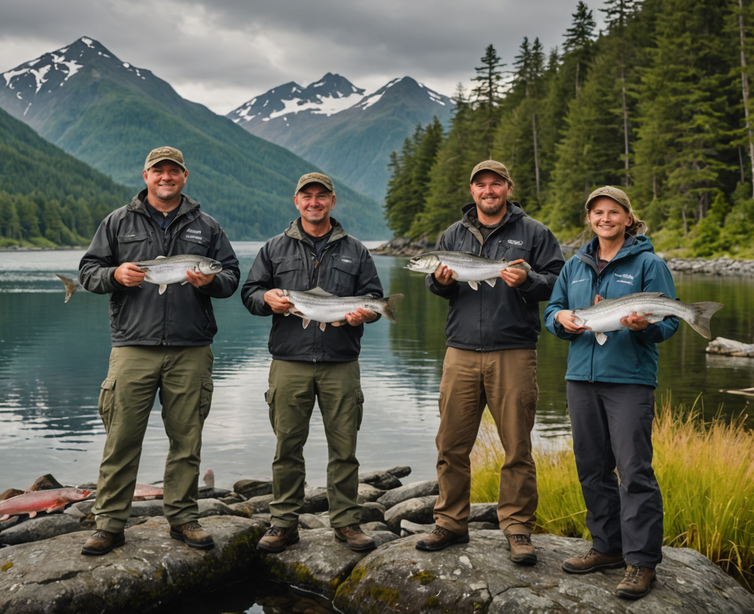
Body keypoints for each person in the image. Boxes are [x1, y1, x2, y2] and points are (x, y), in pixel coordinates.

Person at [77, 146, 240, 556]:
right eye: (158, 171)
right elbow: (88, 273)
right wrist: (114, 273)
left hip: (191, 348)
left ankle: (183, 518)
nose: (166, 177)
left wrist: (210, 283)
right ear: (145, 175)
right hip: (133, 346)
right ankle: (110, 523)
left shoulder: (208, 227)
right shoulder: (117, 221)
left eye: (174, 171)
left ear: (185, 176)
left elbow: (231, 277)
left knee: (187, 440)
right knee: (121, 438)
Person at [417, 160, 564, 564]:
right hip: (460, 351)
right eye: (480, 185)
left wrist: (529, 282)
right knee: (450, 444)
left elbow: (559, 281)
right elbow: (437, 285)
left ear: (508, 188)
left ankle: (517, 529)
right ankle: (449, 522)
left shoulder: (534, 232)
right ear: (472, 191)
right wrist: (438, 281)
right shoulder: (453, 234)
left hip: (514, 351)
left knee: (516, 446)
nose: (488, 191)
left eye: (495, 184)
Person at [543, 185, 675, 600]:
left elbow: (667, 323)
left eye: (613, 212)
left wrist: (645, 326)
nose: (605, 218)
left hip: (630, 381)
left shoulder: (649, 264)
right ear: (589, 218)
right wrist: (560, 318)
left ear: (627, 218)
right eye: (597, 212)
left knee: (634, 470)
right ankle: (606, 548)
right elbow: (551, 312)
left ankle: (641, 562)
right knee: (591, 467)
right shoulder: (573, 265)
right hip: (581, 378)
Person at [241, 172, 382, 554]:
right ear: (296, 201)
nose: (314, 202)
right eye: (308, 196)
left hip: (340, 362)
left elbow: (373, 298)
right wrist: (265, 298)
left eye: (322, 196)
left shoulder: (356, 250)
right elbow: (250, 293)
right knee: (287, 446)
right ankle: (284, 523)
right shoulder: (273, 248)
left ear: (333, 201)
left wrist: (365, 313)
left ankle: (347, 523)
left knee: (344, 448)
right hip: (289, 362)